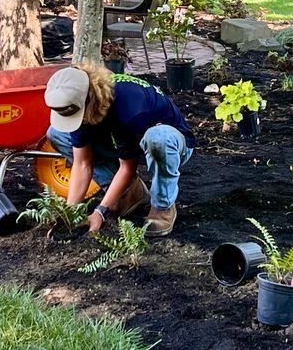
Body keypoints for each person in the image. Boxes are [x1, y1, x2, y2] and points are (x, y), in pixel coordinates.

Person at [44, 64, 194, 237]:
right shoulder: (79, 101)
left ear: (89, 101)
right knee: (57, 134)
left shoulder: (128, 108)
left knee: (158, 138)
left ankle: (162, 205)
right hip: (123, 135)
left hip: (172, 143)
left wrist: (100, 211)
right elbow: (83, 163)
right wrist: (69, 213)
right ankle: (129, 192)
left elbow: (127, 168)